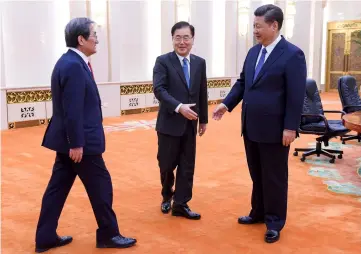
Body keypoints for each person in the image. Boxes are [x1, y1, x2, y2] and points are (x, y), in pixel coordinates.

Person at [34, 17, 136, 252]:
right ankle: (109, 235)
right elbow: (72, 109)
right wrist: (77, 143)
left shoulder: (70, 62)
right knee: (101, 187)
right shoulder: (72, 65)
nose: (97, 39)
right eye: (94, 34)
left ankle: (45, 237)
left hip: (69, 141)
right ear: (81, 39)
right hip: (81, 144)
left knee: (57, 189)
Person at [213, 4, 307, 243]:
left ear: (274, 26)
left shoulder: (292, 54)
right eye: (253, 25)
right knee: (257, 174)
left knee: (274, 176)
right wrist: (226, 104)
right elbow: (243, 83)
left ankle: (274, 221)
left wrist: (290, 127)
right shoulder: (254, 52)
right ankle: (258, 212)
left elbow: (296, 95)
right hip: (251, 126)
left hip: (276, 130)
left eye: (258, 26)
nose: (254, 30)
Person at [152, 21, 208, 220]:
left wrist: (203, 120)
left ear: (193, 40)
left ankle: (181, 204)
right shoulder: (163, 61)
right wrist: (178, 107)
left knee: (187, 165)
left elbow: (202, 91)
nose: (182, 42)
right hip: (169, 123)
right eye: (178, 37)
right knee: (166, 164)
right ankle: (167, 195)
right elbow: (159, 90)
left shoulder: (200, 63)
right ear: (172, 39)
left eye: (186, 38)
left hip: (191, 123)